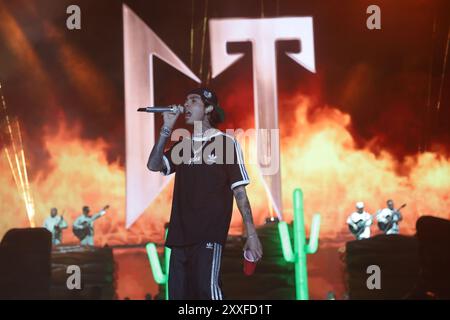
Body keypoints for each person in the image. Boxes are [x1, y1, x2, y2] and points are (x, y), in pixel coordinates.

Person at [147, 87, 263, 300]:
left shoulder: (226, 143)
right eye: (186, 100)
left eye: (193, 101)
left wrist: (252, 234)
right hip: (179, 236)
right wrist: (166, 129)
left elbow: (240, 192)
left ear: (209, 108)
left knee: (207, 292)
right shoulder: (183, 145)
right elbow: (154, 165)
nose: (186, 105)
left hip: (208, 234)